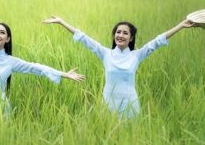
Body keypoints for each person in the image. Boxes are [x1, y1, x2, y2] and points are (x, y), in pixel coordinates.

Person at [43, 16, 197, 118]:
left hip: (130, 103)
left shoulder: (136, 55)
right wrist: (62, 22)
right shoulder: (106, 54)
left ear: (131, 38)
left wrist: (181, 26)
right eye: (118, 32)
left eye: (125, 33)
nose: (120, 35)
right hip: (108, 103)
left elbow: (157, 41)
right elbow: (84, 38)